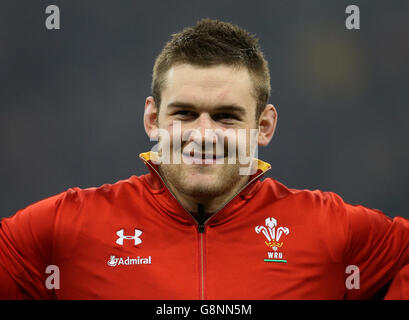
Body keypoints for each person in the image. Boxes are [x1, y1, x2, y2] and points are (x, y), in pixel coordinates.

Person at [0, 18, 408, 300]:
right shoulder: (66, 226)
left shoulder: (331, 229)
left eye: (226, 117)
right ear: (152, 119)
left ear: (263, 127)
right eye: (185, 113)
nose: (204, 134)